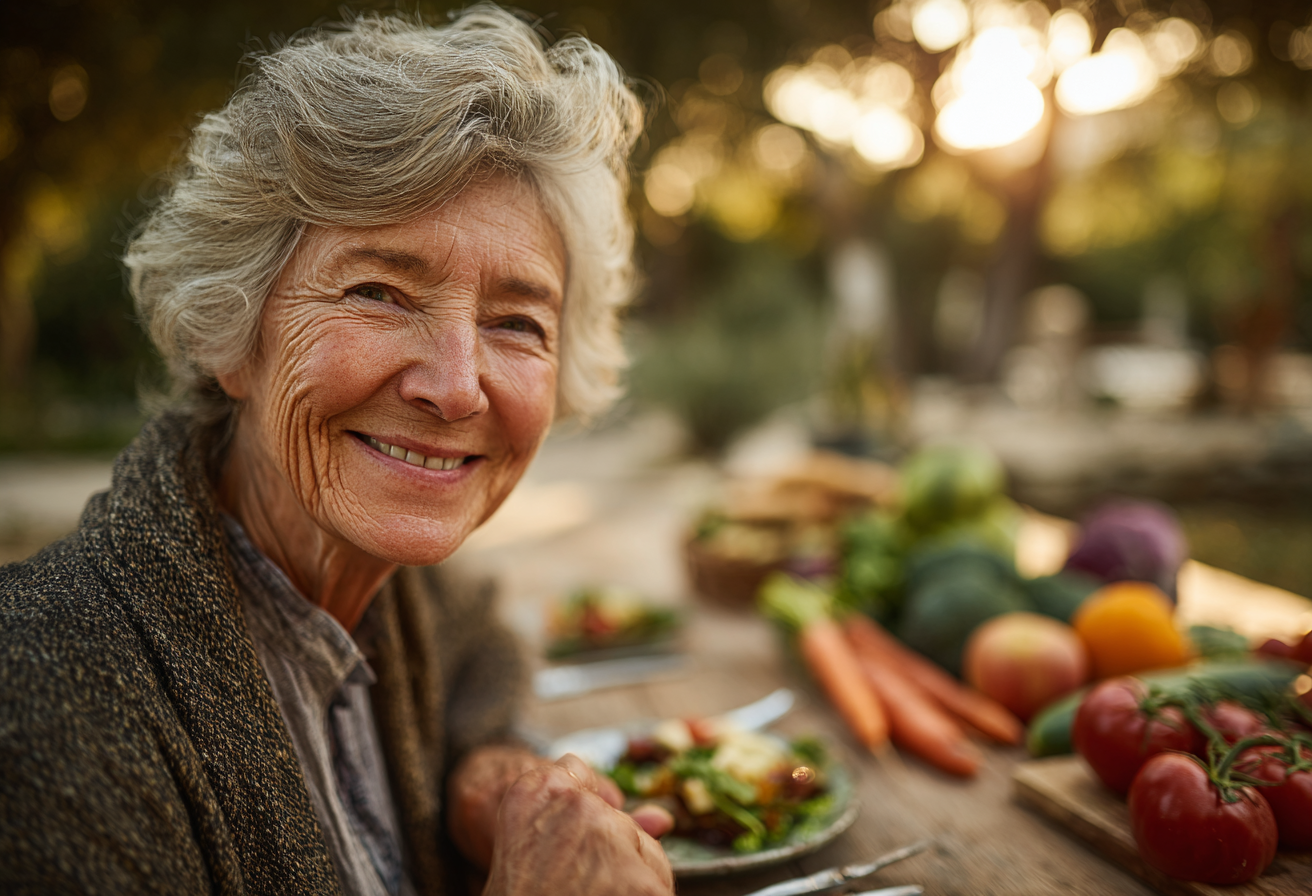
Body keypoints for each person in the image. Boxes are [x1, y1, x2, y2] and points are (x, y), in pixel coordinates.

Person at [0, 6, 675, 895]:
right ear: (232, 331)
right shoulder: (44, 705)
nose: (458, 385)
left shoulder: (412, 592)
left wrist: (492, 775)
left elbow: (480, 653)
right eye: (380, 292)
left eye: (517, 322)